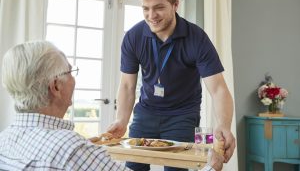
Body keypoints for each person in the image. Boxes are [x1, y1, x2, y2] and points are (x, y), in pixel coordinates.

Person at [0, 40, 224, 171]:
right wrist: (211, 167)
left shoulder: (4, 139)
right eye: (70, 71)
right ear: (56, 86)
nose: (73, 78)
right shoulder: (71, 149)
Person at [107, 0, 235, 171]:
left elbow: (218, 89)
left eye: (158, 7)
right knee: (133, 167)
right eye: (146, 8)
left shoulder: (197, 38)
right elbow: (127, 85)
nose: (151, 15)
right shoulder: (133, 37)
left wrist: (224, 125)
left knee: (176, 169)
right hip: (146, 113)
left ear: (175, 4)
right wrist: (121, 120)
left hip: (182, 115)